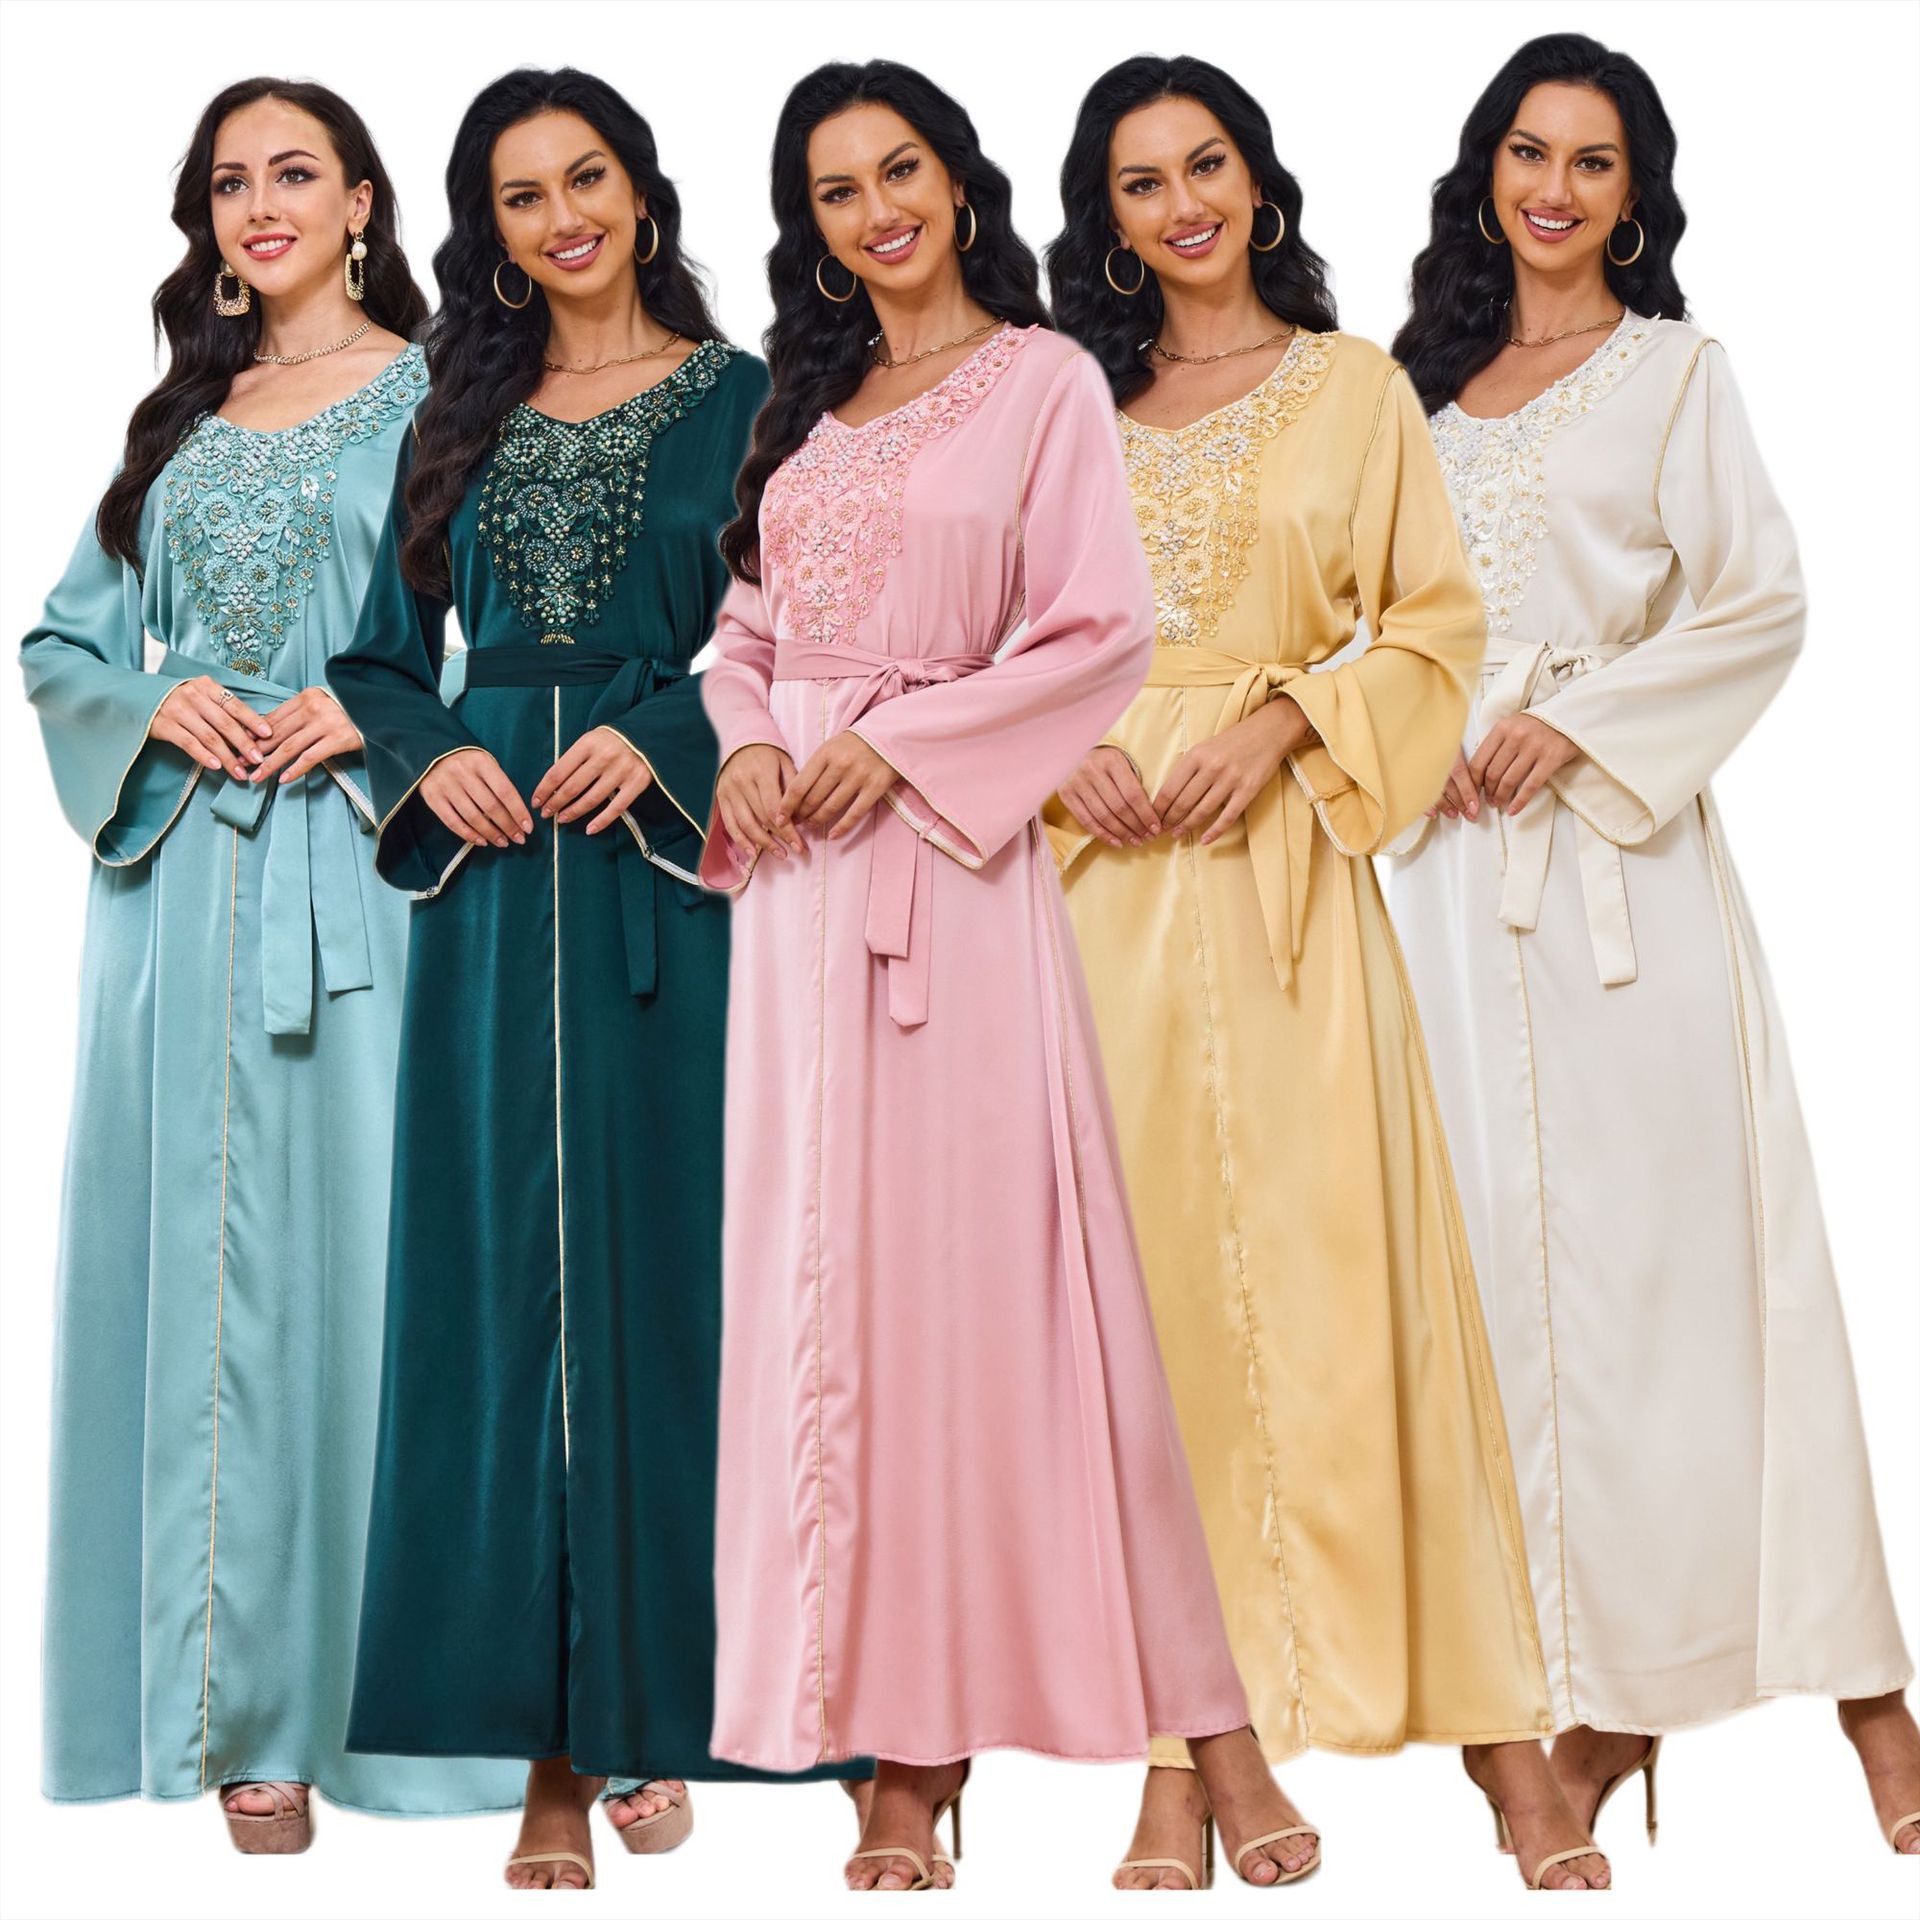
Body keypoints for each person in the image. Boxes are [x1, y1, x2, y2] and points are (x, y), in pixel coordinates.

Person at [700, 59, 1311, 1894]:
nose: (877, 211)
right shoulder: (809, 410)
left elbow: (1098, 631)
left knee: (1029, 1307)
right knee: (830, 1315)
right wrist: (747, 743)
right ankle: (902, 1758)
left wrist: (904, 745)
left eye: (901, 171)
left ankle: (1213, 1728)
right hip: (794, 916)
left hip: (948, 897)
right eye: (837, 191)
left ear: (958, 185)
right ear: (813, 230)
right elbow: (744, 634)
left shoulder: (1043, 382)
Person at [1046, 54, 1608, 1892]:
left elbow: (1435, 625)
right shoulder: (1066, 409)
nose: (1183, 205)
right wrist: (1058, 747)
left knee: (1366, 1288)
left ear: (1258, 181)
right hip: (1105, 887)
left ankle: (1500, 1735)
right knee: (1148, 1326)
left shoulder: (1355, 388)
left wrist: (1285, 720)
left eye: (1205, 164)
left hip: (1283, 865)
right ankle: (1179, 1756)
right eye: (1142, 182)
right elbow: (992, 641)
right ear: (1107, 220)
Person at [328, 68, 861, 1894]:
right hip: (492, 896)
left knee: (691, 1282)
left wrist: (670, 732)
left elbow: (802, 639)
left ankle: (705, 1705)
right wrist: (432, 759)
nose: (561, 219)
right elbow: (377, 660)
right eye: (520, 195)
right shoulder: (453, 414)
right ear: (487, 229)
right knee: (498, 1295)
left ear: (641, 193)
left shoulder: (748, 401)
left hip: (673, 891)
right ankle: (552, 1753)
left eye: (586, 180)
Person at [1390, 29, 1920, 1861]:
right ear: (1485, 173)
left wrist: (1583, 724)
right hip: (1448, 890)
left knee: (1702, 1285)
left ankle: (1870, 1697)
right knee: (1498, 1295)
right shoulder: (1415, 393)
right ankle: (1590, 1699)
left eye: (1592, 161)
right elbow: (1370, 622)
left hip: (1625, 887)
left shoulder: (1680, 373)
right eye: (1528, 153)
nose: (1554, 188)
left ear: (1635, 193)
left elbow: (1759, 600)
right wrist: (1407, 730)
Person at [22, 77, 521, 1850]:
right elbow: (61, 646)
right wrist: (163, 702)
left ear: (365, 199)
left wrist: (379, 712)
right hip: (178, 911)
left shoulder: (452, 395)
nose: (260, 204)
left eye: (295, 171)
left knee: (380, 1276)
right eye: (229, 182)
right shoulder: (183, 417)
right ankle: (243, 1715)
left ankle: (454, 1706)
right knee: (208, 1293)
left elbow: (525, 630)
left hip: (373, 885)